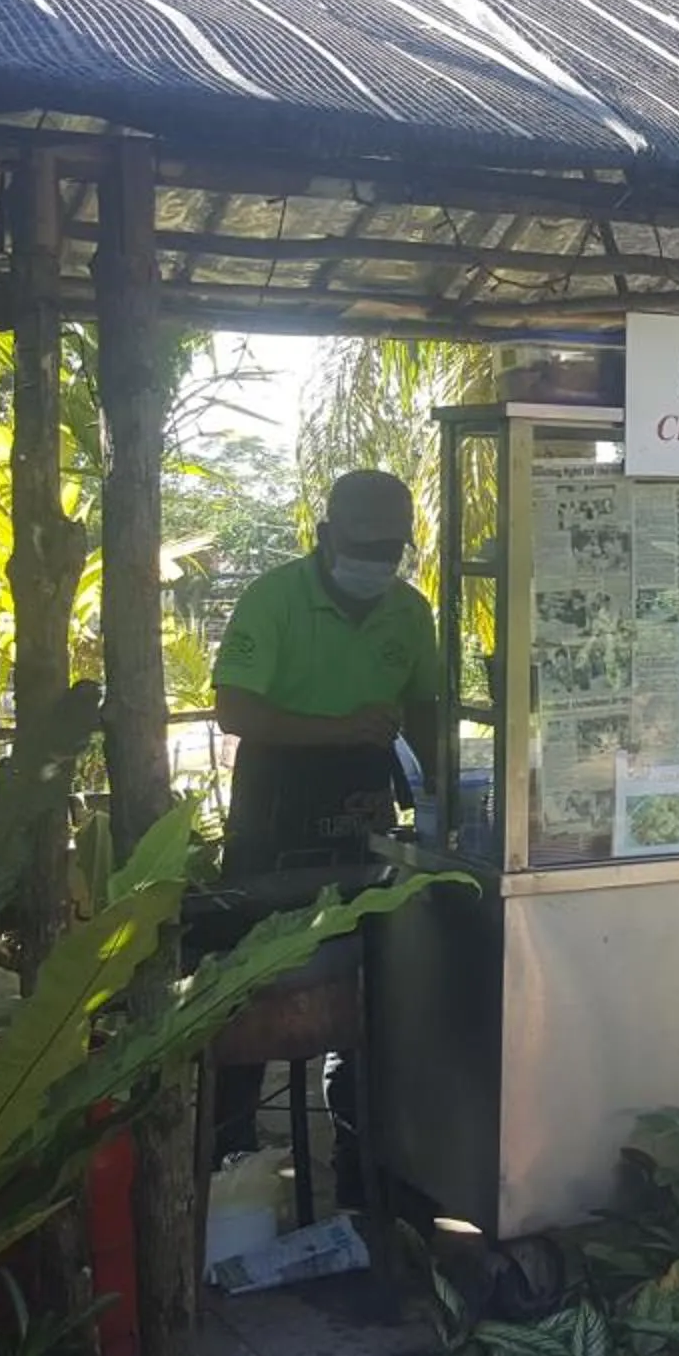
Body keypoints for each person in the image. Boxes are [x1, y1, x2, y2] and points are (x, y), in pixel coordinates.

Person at [207, 468, 442, 1195]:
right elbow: (235, 711)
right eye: (364, 545)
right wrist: (335, 729)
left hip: (364, 804)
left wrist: (439, 795)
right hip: (275, 801)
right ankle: (230, 1159)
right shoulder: (275, 597)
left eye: (392, 548)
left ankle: (359, 1160)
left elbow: (426, 708)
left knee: (364, 983)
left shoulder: (409, 611)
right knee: (249, 987)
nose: (378, 560)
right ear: (327, 535)